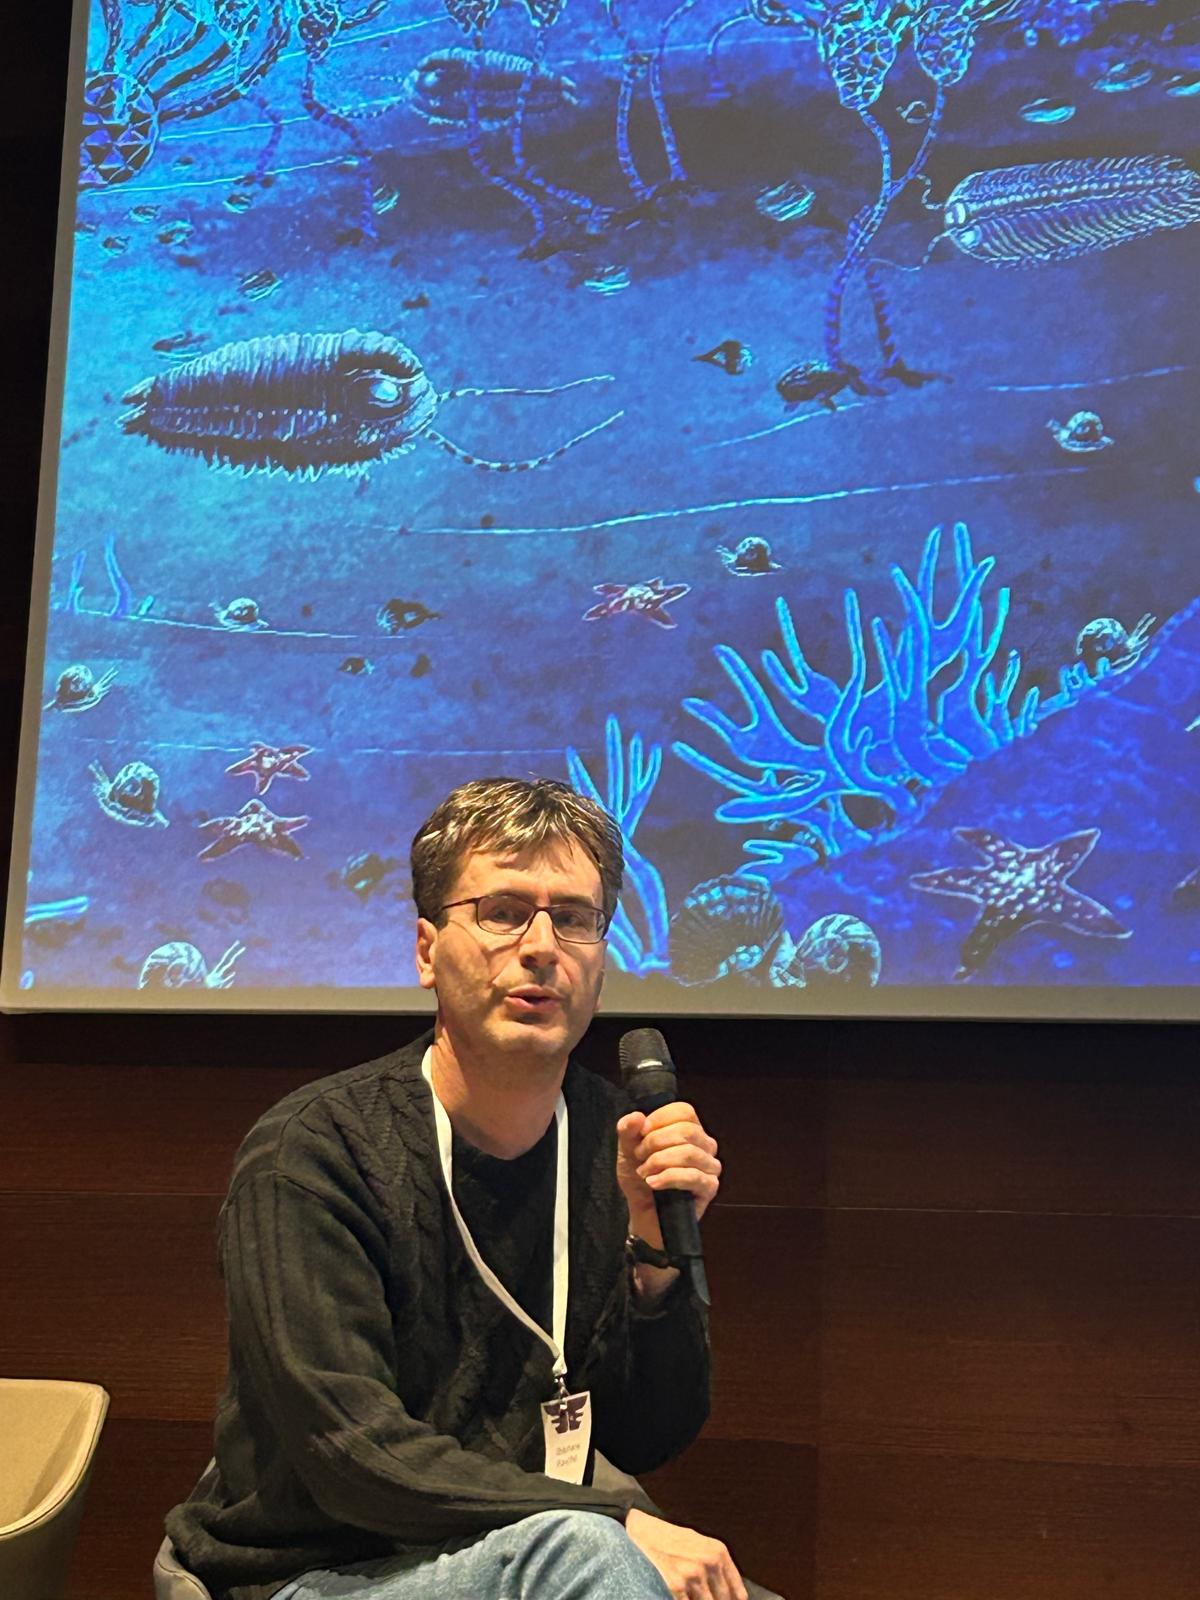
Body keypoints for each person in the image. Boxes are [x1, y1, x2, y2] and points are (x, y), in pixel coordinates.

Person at [166, 777, 777, 1600]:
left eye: (575, 918)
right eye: (503, 912)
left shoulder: (612, 1140)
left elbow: (648, 1436)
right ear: (427, 950)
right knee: (588, 1555)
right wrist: (610, 1521)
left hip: (521, 1545)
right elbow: (351, 1455)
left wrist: (655, 1258)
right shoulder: (312, 1153)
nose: (542, 946)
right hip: (316, 1568)